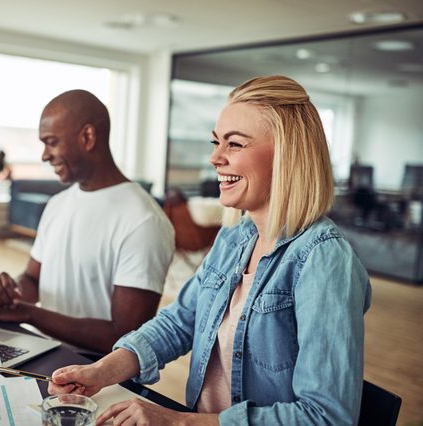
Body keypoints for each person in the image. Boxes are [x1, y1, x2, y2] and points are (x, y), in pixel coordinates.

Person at [49, 76, 372, 425]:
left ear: (287, 155)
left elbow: (327, 417)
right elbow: (180, 322)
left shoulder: (324, 259)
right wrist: (101, 371)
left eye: (234, 144)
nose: (215, 157)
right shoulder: (235, 238)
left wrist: (177, 421)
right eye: (216, 142)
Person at [0, 89, 175, 354]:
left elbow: (126, 337)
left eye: (51, 142)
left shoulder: (144, 221)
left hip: (97, 377)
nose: (44, 155)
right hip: (42, 354)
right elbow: (33, 279)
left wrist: (30, 315)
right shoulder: (58, 204)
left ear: (88, 136)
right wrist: (6, 296)